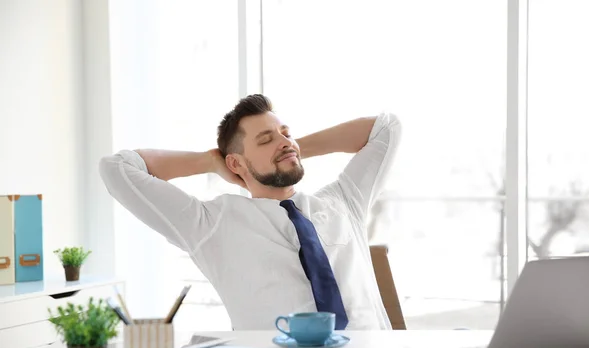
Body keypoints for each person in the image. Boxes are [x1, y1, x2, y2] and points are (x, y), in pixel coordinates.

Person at [99, 94, 401, 330]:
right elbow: (116, 169)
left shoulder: (344, 201)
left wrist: (289, 149)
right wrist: (209, 161)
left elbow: (387, 128)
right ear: (235, 163)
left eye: (285, 133)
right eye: (265, 139)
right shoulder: (210, 224)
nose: (283, 141)